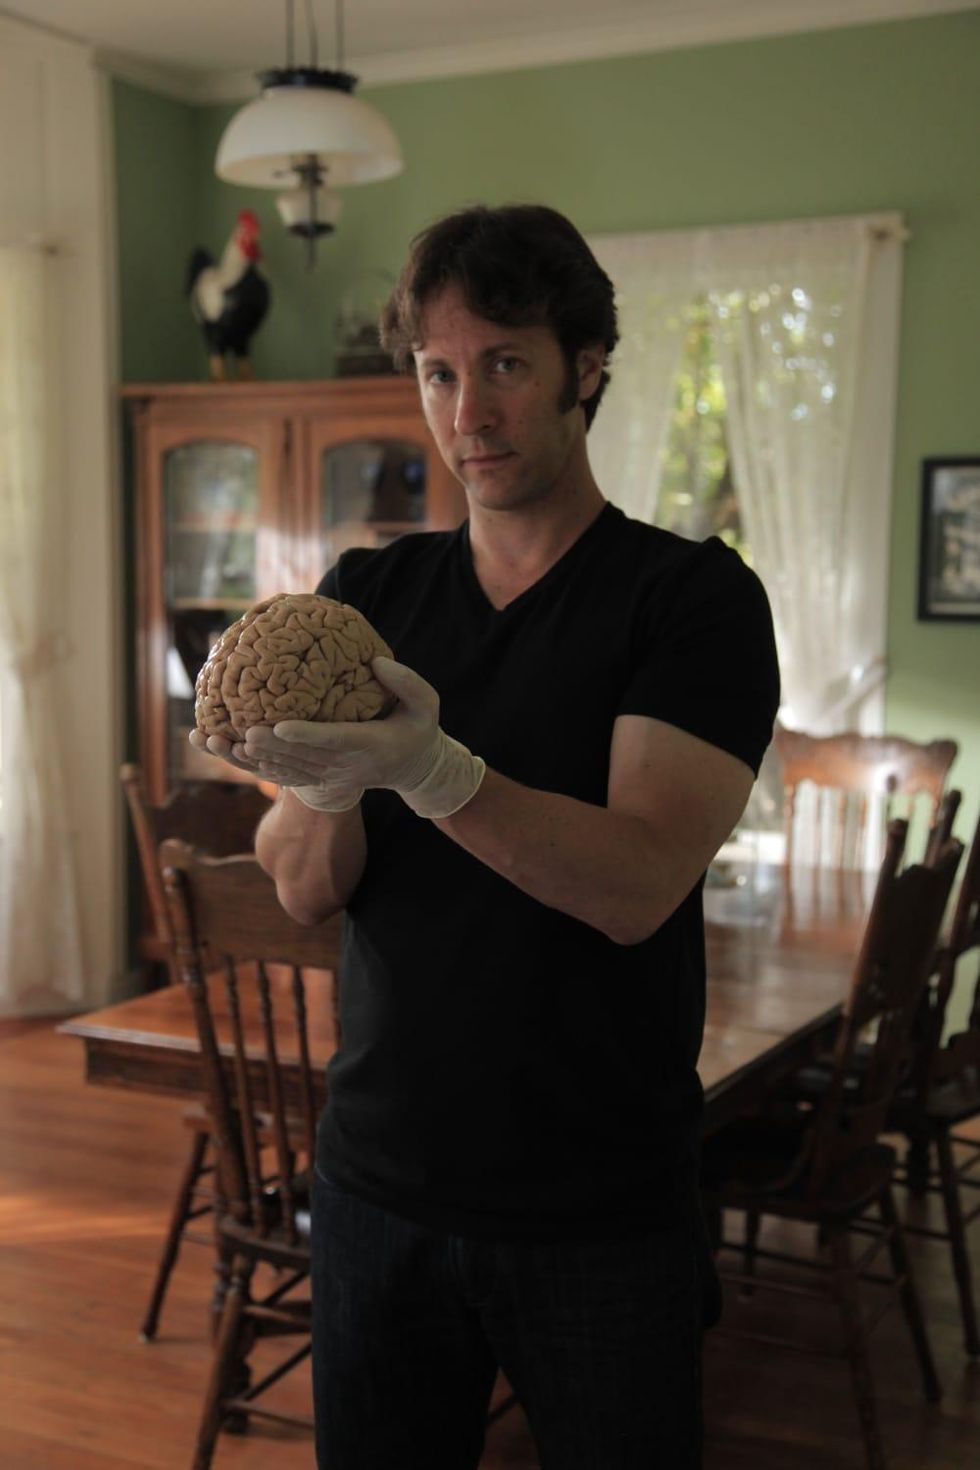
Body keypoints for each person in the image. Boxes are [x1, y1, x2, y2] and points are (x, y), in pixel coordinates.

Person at [191, 203, 780, 1469]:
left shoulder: (688, 601)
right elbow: (302, 891)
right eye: (438, 373)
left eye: (505, 363)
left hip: (596, 1203)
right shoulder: (367, 598)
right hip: (375, 1184)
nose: (469, 412)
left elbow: (634, 883)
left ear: (586, 368)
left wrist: (433, 770)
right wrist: (326, 790)